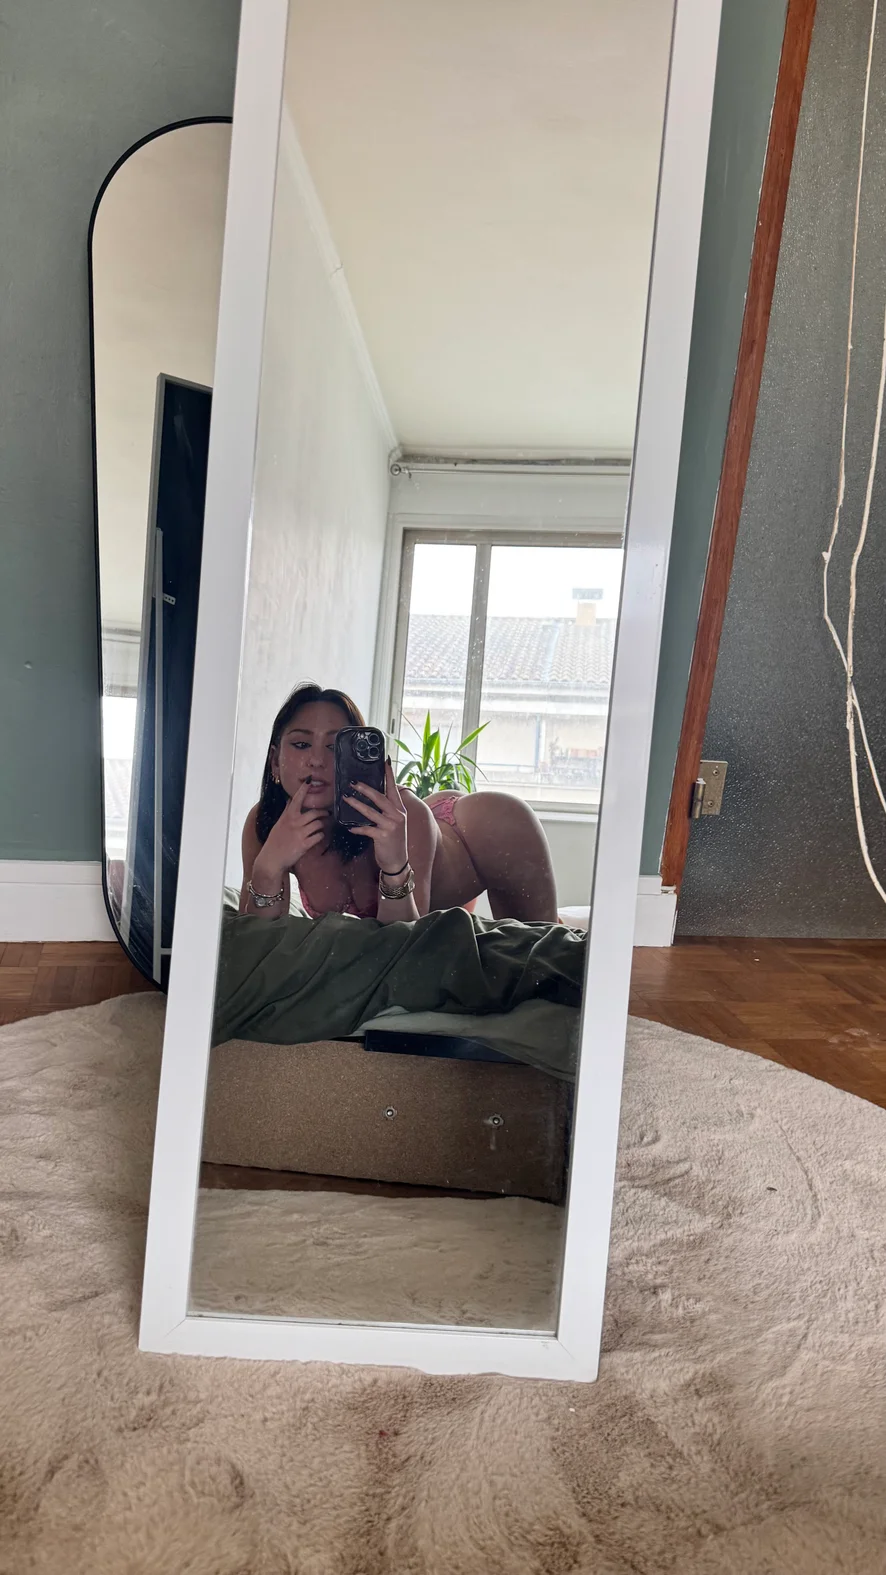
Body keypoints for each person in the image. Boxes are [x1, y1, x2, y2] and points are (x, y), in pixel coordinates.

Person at [240, 683, 558, 925]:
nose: (316, 761)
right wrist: (267, 867)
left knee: (538, 957)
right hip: (431, 844)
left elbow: (404, 946)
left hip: (487, 831)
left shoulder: (402, 817)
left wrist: (394, 867)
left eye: (335, 747)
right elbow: (257, 943)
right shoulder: (266, 822)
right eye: (301, 744)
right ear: (275, 761)